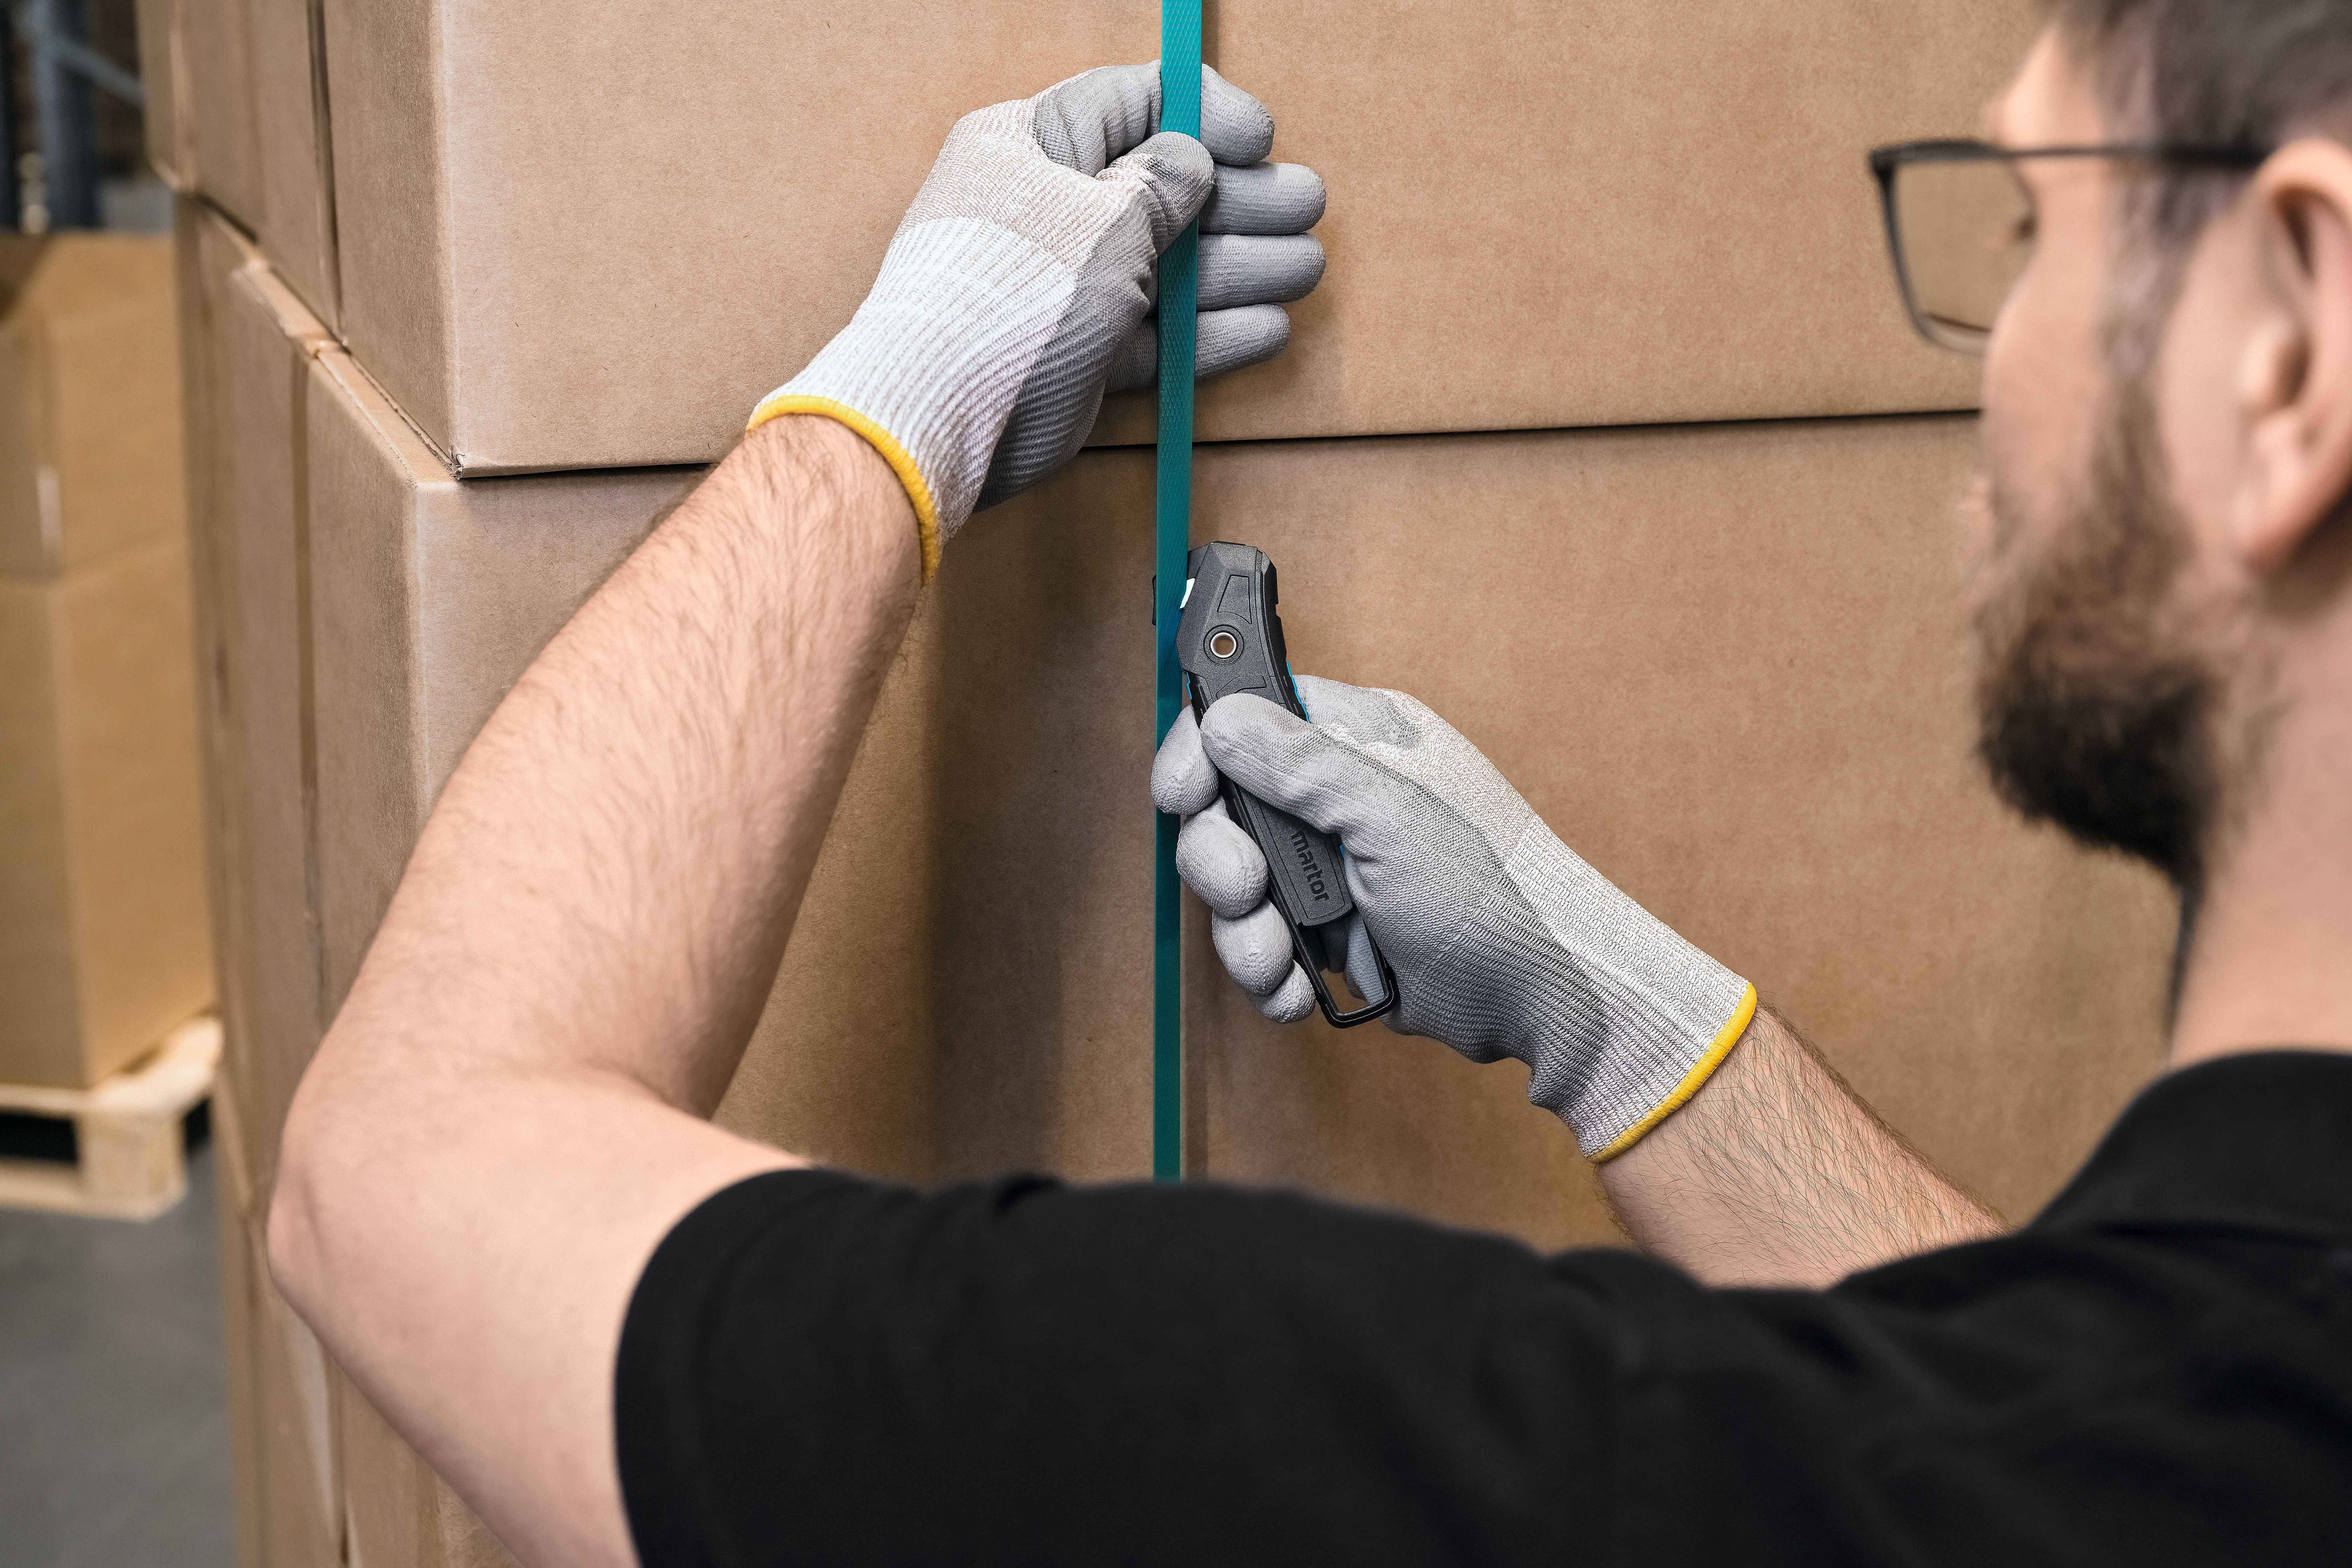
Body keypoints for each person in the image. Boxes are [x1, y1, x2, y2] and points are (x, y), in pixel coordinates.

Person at [267, 5, 2352, 1563]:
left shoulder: (1530, 1479)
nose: (1988, 365)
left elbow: (400, 1174)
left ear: (2292, 335)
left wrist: (899, 394)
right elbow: (2068, 1385)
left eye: (2026, 225)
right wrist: (1600, 1004)